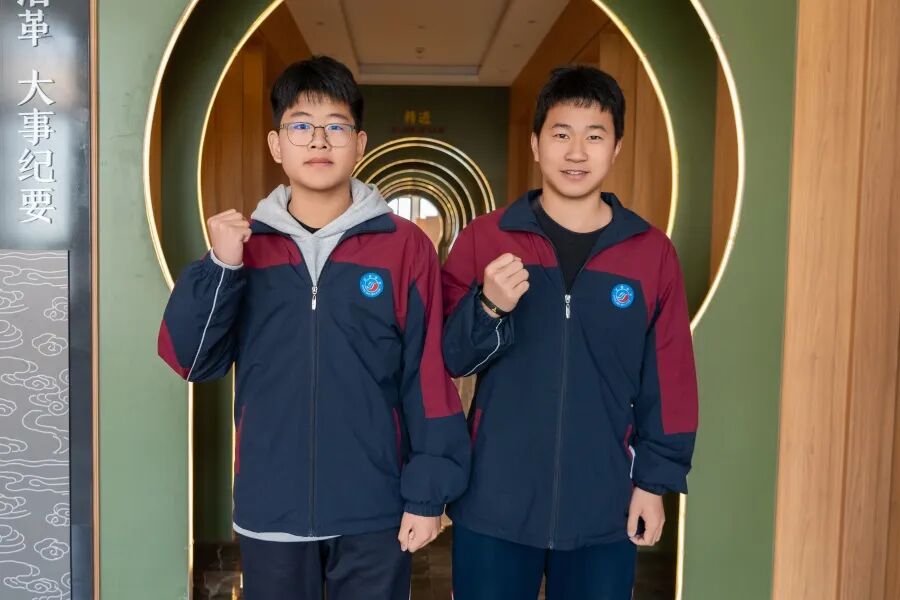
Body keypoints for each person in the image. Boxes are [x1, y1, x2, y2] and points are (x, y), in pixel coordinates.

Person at [157, 55, 470, 600]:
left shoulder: (404, 248)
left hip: (374, 506)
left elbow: (427, 376)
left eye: (336, 127)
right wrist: (221, 267)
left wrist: (427, 494)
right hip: (271, 504)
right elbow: (192, 359)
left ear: (360, 143)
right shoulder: (245, 247)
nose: (319, 140)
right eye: (300, 126)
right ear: (277, 145)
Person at [442, 65, 698, 599]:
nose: (576, 152)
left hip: (603, 505)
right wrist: (488, 307)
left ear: (616, 147)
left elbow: (670, 380)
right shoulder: (486, 238)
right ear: (536, 144)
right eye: (561, 134)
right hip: (494, 501)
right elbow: (450, 357)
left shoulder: (650, 254)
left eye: (594, 136)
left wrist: (654, 483)